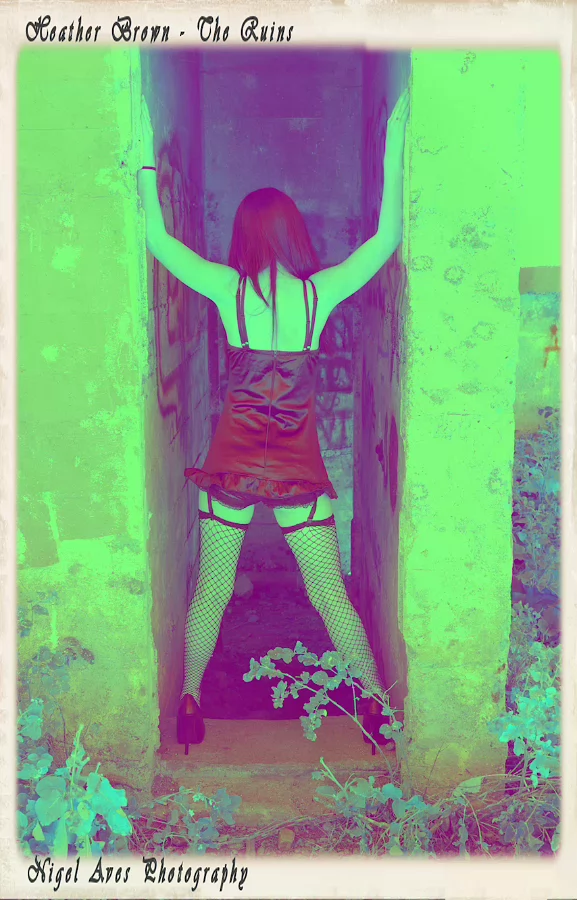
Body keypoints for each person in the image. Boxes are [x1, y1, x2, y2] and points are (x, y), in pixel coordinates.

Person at [138, 88, 410, 755]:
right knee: (328, 592)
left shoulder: (227, 288)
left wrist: (145, 158)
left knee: (212, 590)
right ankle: (376, 708)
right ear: (293, 232)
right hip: (295, 465)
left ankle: (190, 702)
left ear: (244, 234)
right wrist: (396, 137)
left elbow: (156, 239)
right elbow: (387, 239)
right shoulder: (319, 294)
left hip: (232, 461)